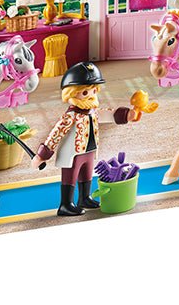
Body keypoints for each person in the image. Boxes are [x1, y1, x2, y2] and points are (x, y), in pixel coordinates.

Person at [32, 62, 146, 217]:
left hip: (89, 150)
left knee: (87, 174)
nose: (91, 95)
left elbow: (109, 114)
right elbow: (56, 134)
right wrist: (42, 155)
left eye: (94, 90)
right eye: (85, 92)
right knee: (70, 177)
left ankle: (84, 198)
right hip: (73, 154)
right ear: (71, 93)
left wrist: (127, 115)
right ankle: (65, 204)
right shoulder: (70, 116)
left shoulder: (93, 112)